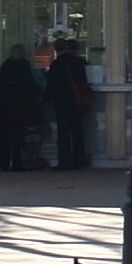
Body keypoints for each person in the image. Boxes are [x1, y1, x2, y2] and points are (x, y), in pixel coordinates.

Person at [0, 50, 41, 172]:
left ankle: (4, 163)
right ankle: (17, 163)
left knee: (4, 137)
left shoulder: (5, 69)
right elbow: (31, 90)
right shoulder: (24, 69)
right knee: (18, 137)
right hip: (20, 111)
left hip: (4, 111)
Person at [48, 38, 93, 171]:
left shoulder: (56, 64)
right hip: (77, 101)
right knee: (77, 131)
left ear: (56, 49)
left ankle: (65, 161)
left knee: (64, 133)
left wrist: (44, 98)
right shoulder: (79, 62)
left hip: (62, 102)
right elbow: (84, 80)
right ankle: (79, 160)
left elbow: (52, 85)